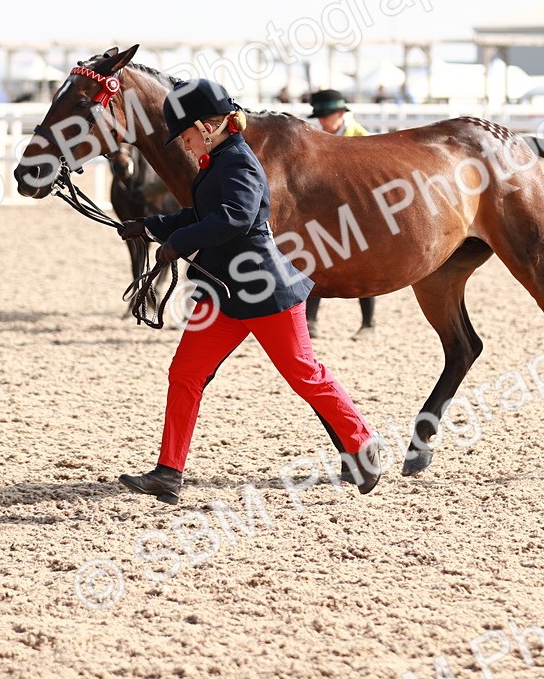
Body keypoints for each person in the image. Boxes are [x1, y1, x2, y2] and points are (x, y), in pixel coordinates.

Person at [117, 78, 384, 504]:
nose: (183, 145)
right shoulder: (216, 161)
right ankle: (168, 472)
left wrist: (178, 245)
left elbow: (234, 218)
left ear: (207, 127)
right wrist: (150, 227)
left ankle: (363, 445)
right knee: (185, 372)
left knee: (304, 374)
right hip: (224, 295)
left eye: (185, 135)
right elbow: (199, 213)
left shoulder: (238, 162)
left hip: (262, 289)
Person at [304, 89, 375, 339]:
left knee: (364, 264)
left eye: (325, 116)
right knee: (314, 261)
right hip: (325, 210)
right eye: (320, 117)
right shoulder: (318, 137)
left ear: (339, 114)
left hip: (356, 210)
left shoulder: (361, 137)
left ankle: (368, 324)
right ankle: (310, 321)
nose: (322, 121)